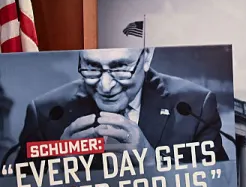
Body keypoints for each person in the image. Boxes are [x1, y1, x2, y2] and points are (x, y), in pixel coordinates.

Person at [12, 46, 228, 165]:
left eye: (121, 68)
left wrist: (151, 163)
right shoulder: (45, 112)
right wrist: (58, 167)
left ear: (147, 57)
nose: (105, 86)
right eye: (92, 68)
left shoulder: (194, 107)